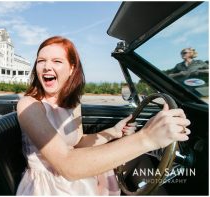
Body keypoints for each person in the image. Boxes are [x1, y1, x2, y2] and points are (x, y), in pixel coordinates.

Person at [16, 36, 191, 195]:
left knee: (139, 162)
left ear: (71, 69)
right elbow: (67, 165)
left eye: (56, 61)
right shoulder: (29, 105)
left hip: (78, 177)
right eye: (41, 61)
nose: (47, 66)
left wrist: (114, 132)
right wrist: (147, 138)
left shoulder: (72, 104)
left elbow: (77, 142)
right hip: (49, 187)